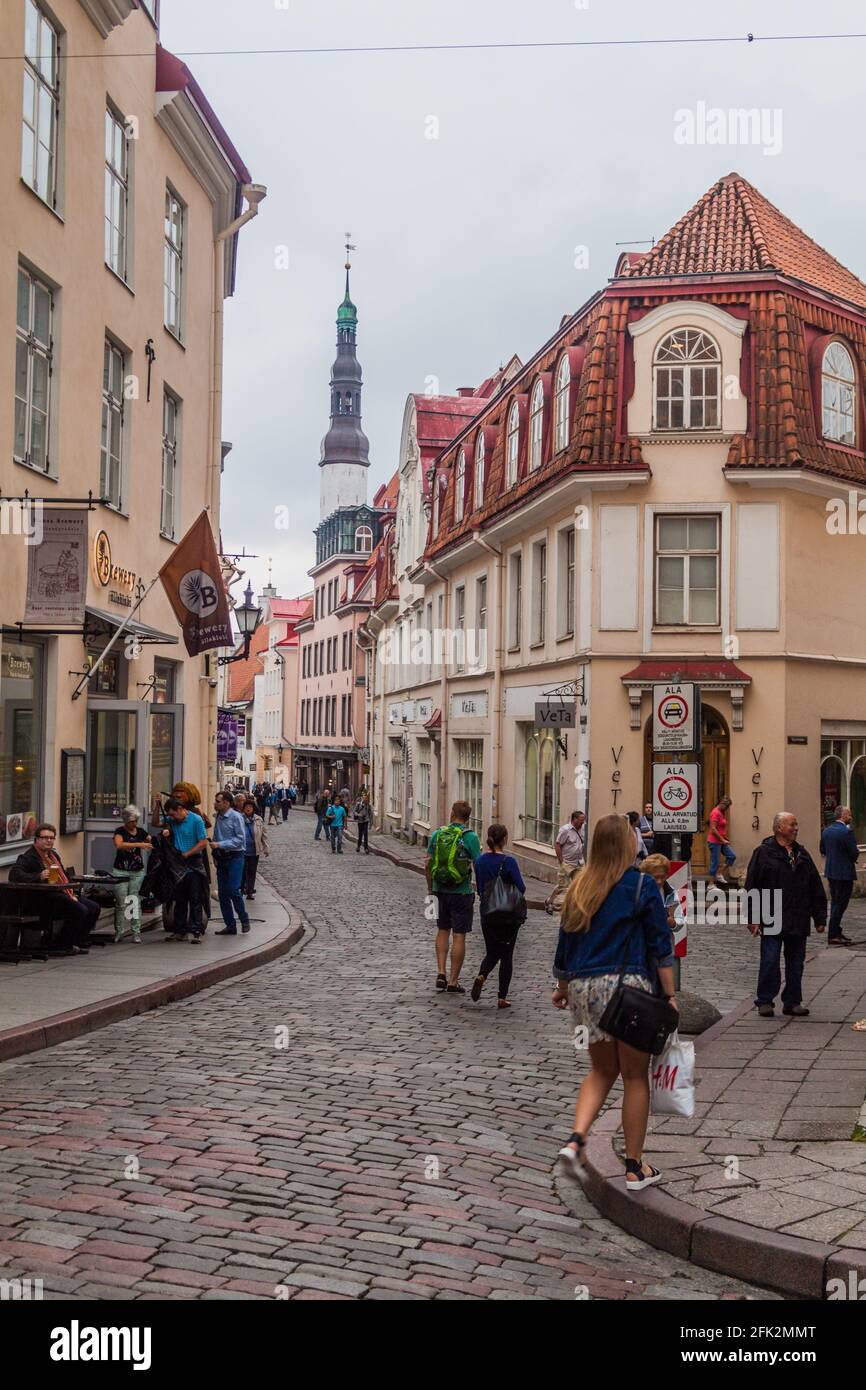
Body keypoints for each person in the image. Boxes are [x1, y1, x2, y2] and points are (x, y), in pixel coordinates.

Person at [552, 814, 677, 1191]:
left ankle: (575, 1141)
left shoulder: (579, 885)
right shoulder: (640, 886)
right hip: (627, 991)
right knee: (635, 1076)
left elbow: (566, 945)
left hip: (584, 992)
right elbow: (660, 945)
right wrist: (670, 996)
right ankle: (635, 1168)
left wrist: (561, 987)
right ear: (627, 844)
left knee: (601, 1071)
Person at [746, 812, 827, 1018]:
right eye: (792, 824)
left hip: (798, 916)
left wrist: (819, 918)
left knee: (796, 962)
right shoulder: (763, 853)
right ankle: (765, 1000)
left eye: (796, 824)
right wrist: (753, 917)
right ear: (779, 828)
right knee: (770, 960)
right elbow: (752, 886)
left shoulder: (802, 854)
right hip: (772, 915)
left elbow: (815, 887)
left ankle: (792, 1001)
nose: (796, 828)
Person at [10, 823, 100, 953]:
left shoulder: (53, 855)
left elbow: (63, 874)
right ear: (37, 839)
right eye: (45, 837)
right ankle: (62, 944)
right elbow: (15, 874)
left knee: (94, 908)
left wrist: (72, 890)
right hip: (43, 899)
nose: (49, 841)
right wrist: (39, 876)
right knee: (80, 910)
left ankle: (77, 941)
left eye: (52, 838)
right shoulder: (29, 857)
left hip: (62, 893)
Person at [425, 800, 482, 994]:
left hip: (440, 889)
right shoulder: (471, 837)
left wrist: (430, 889)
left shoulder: (438, 834)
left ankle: (440, 971)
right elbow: (478, 864)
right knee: (459, 935)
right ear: (468, 817)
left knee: (442, 930)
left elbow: (428, 862)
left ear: (452, 814)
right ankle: (453, 980)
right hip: (462, 891)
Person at [470, 824, 527, 1009]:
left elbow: (479, 887)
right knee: (507, 955)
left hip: (487, 912)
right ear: (505, 839)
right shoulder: (509, 862)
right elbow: (522, 887)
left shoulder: (479, 861)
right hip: (508, 915)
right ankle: (502, 997)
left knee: (492, 951)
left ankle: (482, 974)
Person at [162, 798, 209, 942]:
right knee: (179, 899)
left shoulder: (196, 820)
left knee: (195, 898)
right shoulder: (173, 821)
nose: (172, 818)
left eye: (173, 814)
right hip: (178, 864)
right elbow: (156, 823)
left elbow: (203, 842)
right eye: (169, 815)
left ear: (180, 809)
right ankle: (179, 930)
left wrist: (188, 853)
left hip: (193, 863)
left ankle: (196, 930)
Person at [211, 791, 251, 936]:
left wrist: (220, 845)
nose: (215, 803)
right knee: (223, 893)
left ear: (227, 803)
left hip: (235, 856)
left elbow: (240, 839)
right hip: (222, 858)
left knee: (233, 890)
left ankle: (244, 919)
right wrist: (216, 854)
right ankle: (230, 925)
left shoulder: (236, 817)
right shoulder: (219, 817)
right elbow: (216, 835)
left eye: (217, 801)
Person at [820, 806, 859, 947]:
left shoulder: (826, 831)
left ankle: (836, 931)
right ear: (843, 815)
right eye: (849, 814)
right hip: (844, 873)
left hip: (831, 871)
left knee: (836, 902)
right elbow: (854, 852)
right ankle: (833, 934)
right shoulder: (847, 832)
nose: (851, 816)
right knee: (840, 904)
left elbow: (822, 849)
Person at [112, 805, 152, 943]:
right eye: (131, 821)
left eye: (136, 820)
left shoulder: (140, 831)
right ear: (125, 820)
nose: (134, 824)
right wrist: (140, 845)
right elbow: (119, 844)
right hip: (120, 870)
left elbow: (150, 840)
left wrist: (151, 840)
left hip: (137, 871)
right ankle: (119, 931)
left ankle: (136, 932)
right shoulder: (120, 831)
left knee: (134, 901)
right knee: (121, 902)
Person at [242, 798, 269, 899]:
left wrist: (266, 848)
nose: (248, 808)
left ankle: (250, 891)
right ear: (243, 808)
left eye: (250, 807)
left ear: (253, 808)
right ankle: (242, 889)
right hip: (242, 850)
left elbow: (264, 835)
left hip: (254, 850)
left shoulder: (258, 819)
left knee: (252, 872)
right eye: (246, 807)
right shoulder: (239, 819)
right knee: (243, 871)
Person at [708, 796, 736, 883]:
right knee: (715, 863)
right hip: (714, 841)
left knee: (732, 856)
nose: (727, 809)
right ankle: (711, 884)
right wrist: (722, 840)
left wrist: (724, 837)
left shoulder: (721, 812)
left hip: (721, 841)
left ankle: (719, 874)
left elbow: (720, 828)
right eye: (727, 806)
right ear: (722, 804)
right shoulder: (715, 813)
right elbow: (713, 829)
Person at [352, 789, 371, 854]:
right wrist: (358, 814)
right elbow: (354, 812)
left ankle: (366, 848)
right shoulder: (358, 804)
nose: (364, 797)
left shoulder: (368, 805)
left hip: (366, 820)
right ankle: (358, 846)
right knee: (360, 834)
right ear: (361, 797)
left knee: (365, 834)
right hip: (360, 821)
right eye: (363, 796)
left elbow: (370, 814)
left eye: (365, 796)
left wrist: (370, 824)